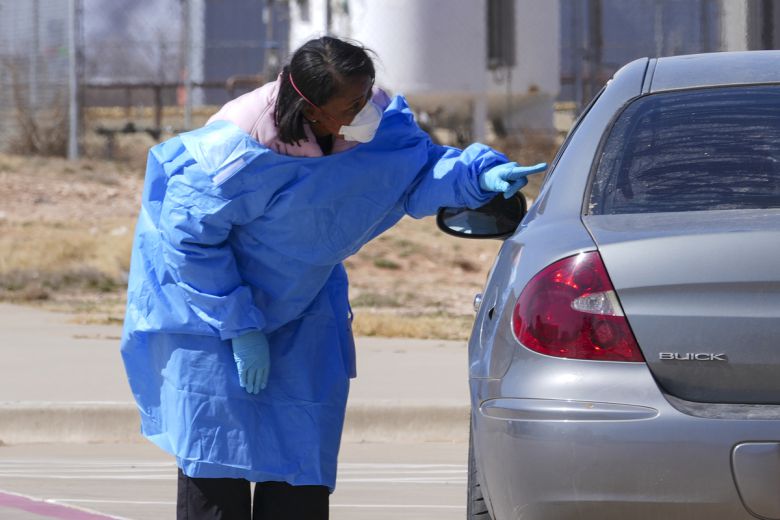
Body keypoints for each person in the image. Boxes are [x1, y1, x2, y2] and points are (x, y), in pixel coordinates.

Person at [120, 36, 546, 520]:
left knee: (302, 457)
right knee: (217, 458)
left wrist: (476, 178)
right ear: (311, 108)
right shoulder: (233, 152)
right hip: (210, 309)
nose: (366, 109)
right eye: (351, 104)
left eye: (367, 94)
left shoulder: (379, 120)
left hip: (307, 296)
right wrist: (239, 326)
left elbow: (417, 169)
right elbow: (190, 243)